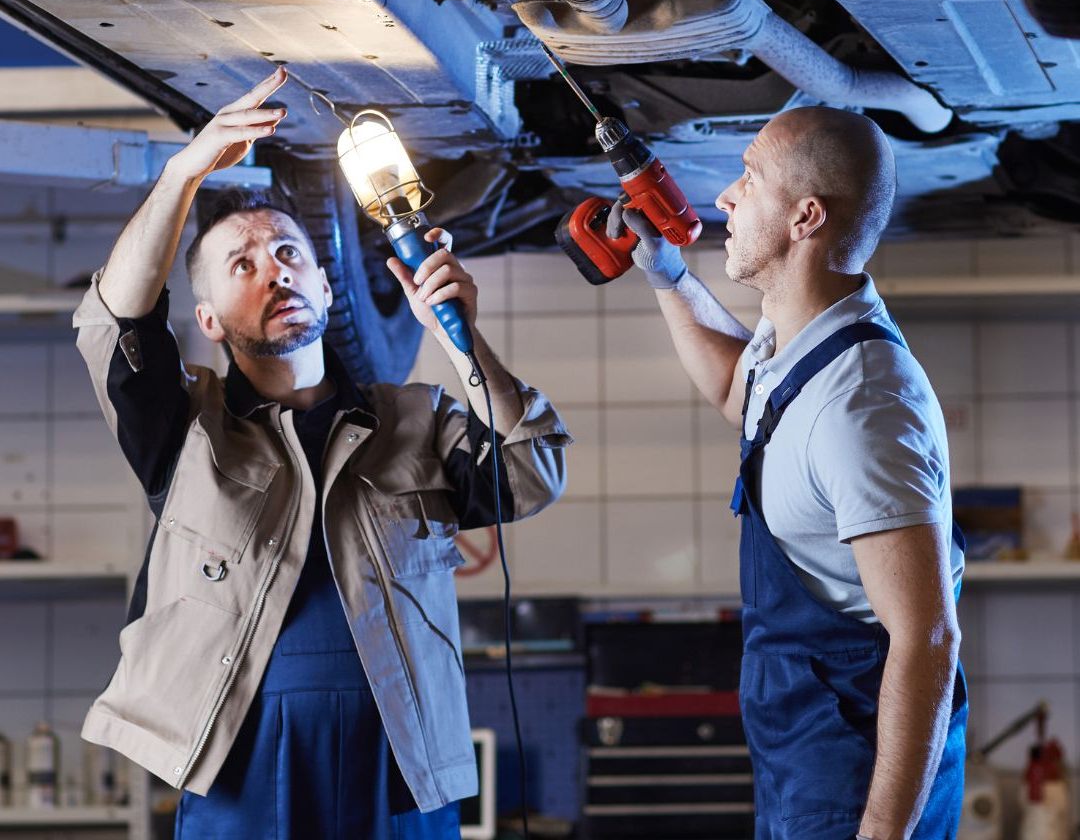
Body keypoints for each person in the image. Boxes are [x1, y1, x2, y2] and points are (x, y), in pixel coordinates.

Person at [73, 67, 571, 839]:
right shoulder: (187, 426)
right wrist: (183, 173)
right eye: (242, 265)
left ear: (329, 287)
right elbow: (116, 322)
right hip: (239, 764)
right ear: (207, 319)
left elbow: (532, 471)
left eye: (288, 252)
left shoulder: (415, 420)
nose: (274, 270)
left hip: (399, 767)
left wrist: (458, 335)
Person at [609, 105, 966, 840]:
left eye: (750, 178)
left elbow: (928, 636)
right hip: (806, 755)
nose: (725, 198)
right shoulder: (800, 337)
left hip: (859, 780)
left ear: (806, 217)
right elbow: (735, 390)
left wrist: (881, 834)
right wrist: (666, 271)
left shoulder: (862, 405)